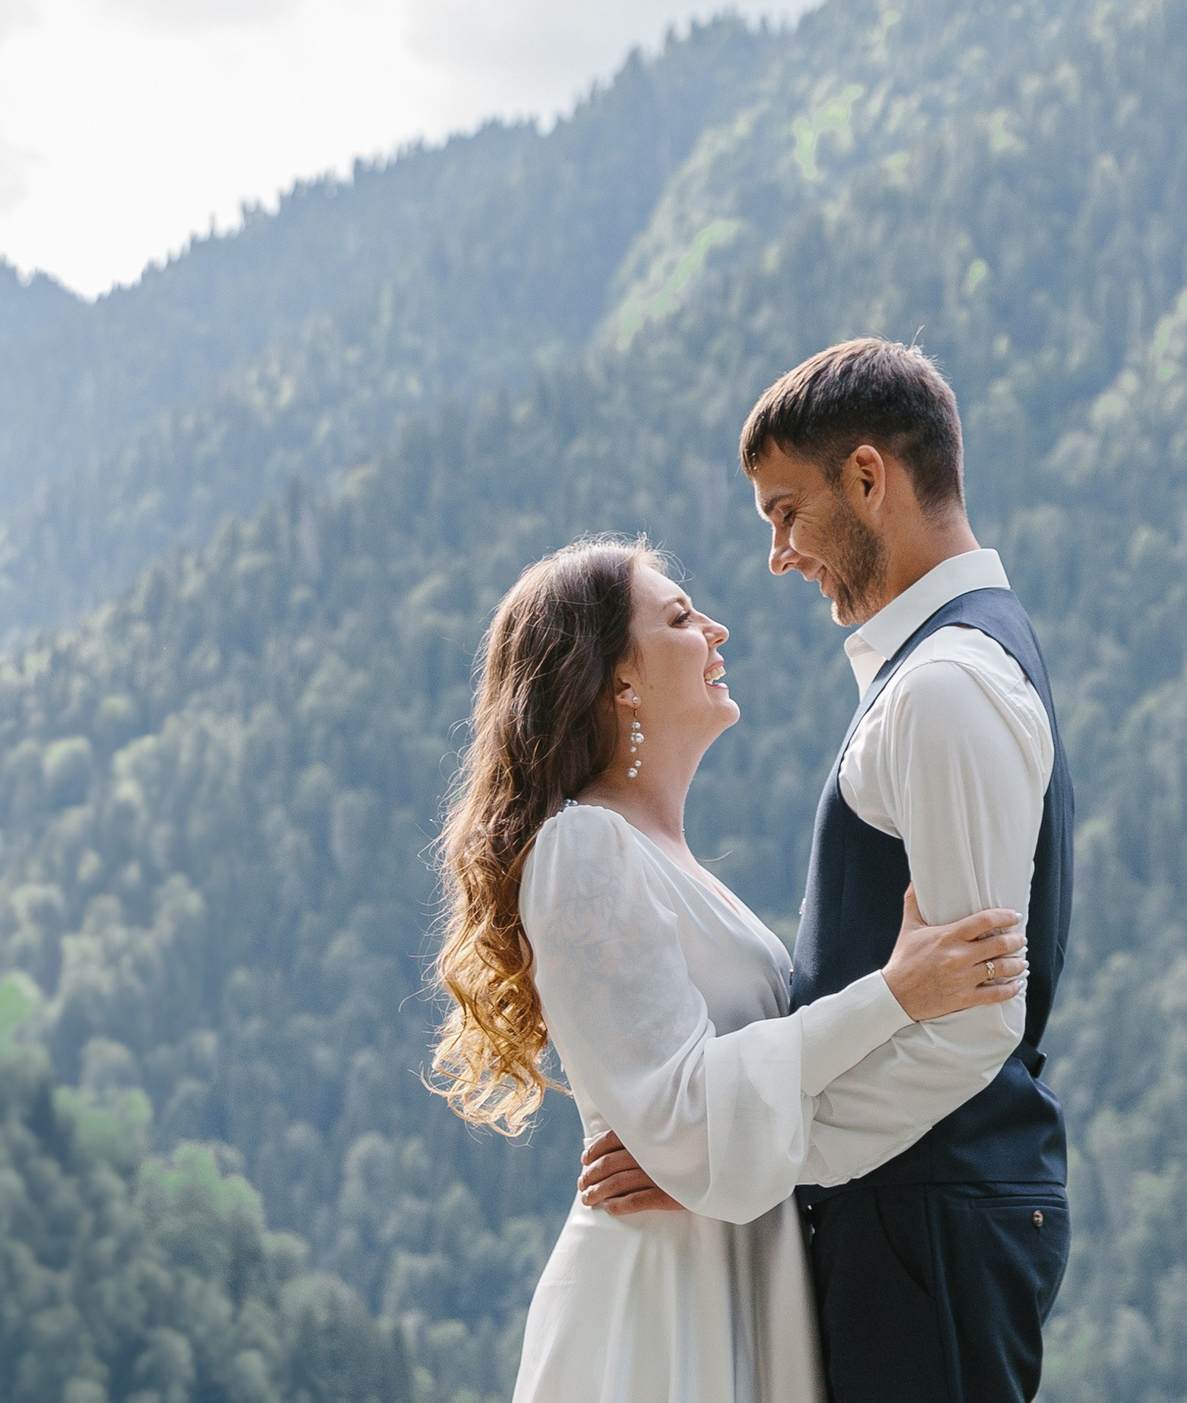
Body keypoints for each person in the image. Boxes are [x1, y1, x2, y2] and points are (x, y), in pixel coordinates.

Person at [579, 337, 1075, 1401]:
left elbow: (974, 1021)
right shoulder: (939, 669)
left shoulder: (943, 686)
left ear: (867, 478)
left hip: (925, 1229)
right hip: (917, 1221)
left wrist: (739, 1168)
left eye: (783, 512)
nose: (777, 555)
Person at [429, 535, 1032, 1403]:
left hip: (730, 1263)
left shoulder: (663, 858)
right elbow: (686, 1112)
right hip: (662, 1297)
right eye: (678, 618)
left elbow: (707, 1124)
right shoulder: (583, 848)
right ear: (619, 681)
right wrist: (896, 993)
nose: (716, 629)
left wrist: (727, 1155)